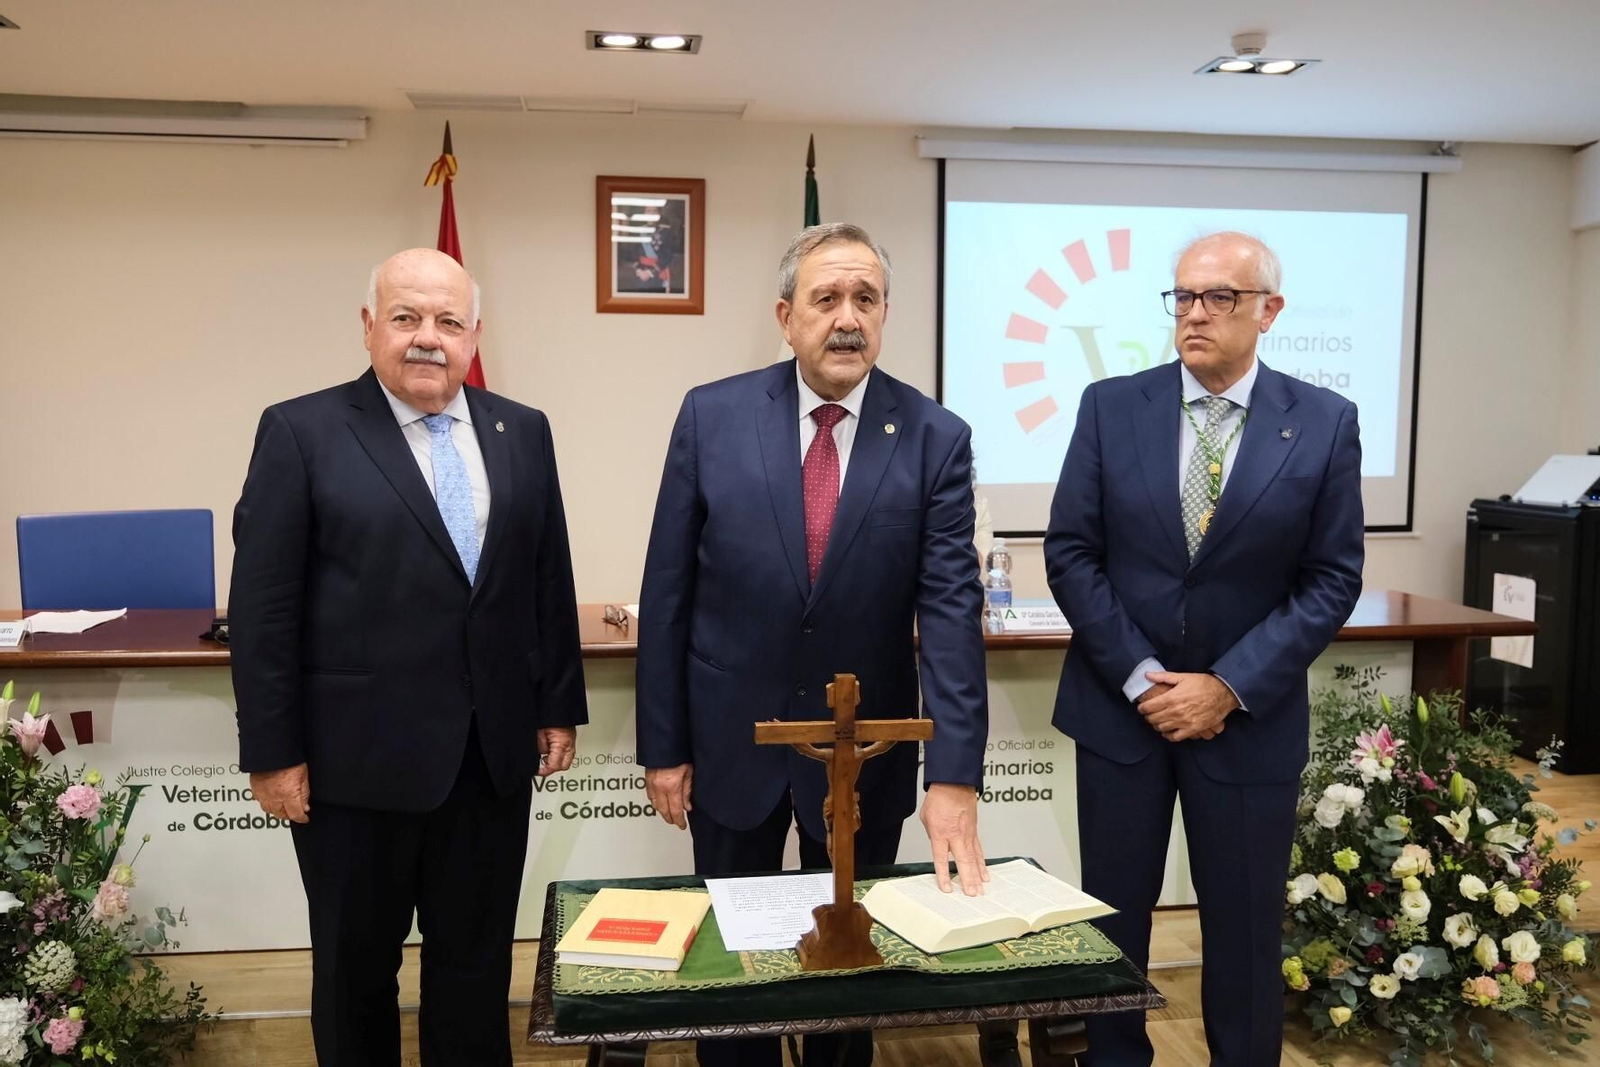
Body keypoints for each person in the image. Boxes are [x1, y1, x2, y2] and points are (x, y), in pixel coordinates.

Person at [636, 222, 990, 1067]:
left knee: (847, 974)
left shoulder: (936, 436)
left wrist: (953, 777)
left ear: (885, 315)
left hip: (863, 753)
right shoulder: (711, 414)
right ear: (786, 315)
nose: (847, 317)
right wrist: (664, 746)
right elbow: (668, 593)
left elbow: (949, 612)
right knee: (736, 971)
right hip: (732, 740)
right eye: (827, 298)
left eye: (865, 299)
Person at [229, 247, 588, 1067]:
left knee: (475, 966)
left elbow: (545, 575)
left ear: (474, 335)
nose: (428, 337)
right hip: (352, 768)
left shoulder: (521, 430)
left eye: (447, 321)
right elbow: (262, 607)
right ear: (368, 327)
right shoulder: (301, 430)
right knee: (356, 974)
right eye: (407, 317)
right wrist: (274, 751)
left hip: (487, 759)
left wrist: (555, 701)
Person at [1045, 231, 1363, 1065]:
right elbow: (1070, 552)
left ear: (1269, 311)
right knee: (1112, 923)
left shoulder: (1325, 423)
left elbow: (1332, 578)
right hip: (1123, 716)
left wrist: (1226, 684)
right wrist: (1144, 679)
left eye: (1218, 297)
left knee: (1246, 928)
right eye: (1182, 296)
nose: (1194, 314)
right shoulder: (1111, 407)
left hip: (1247, 725)